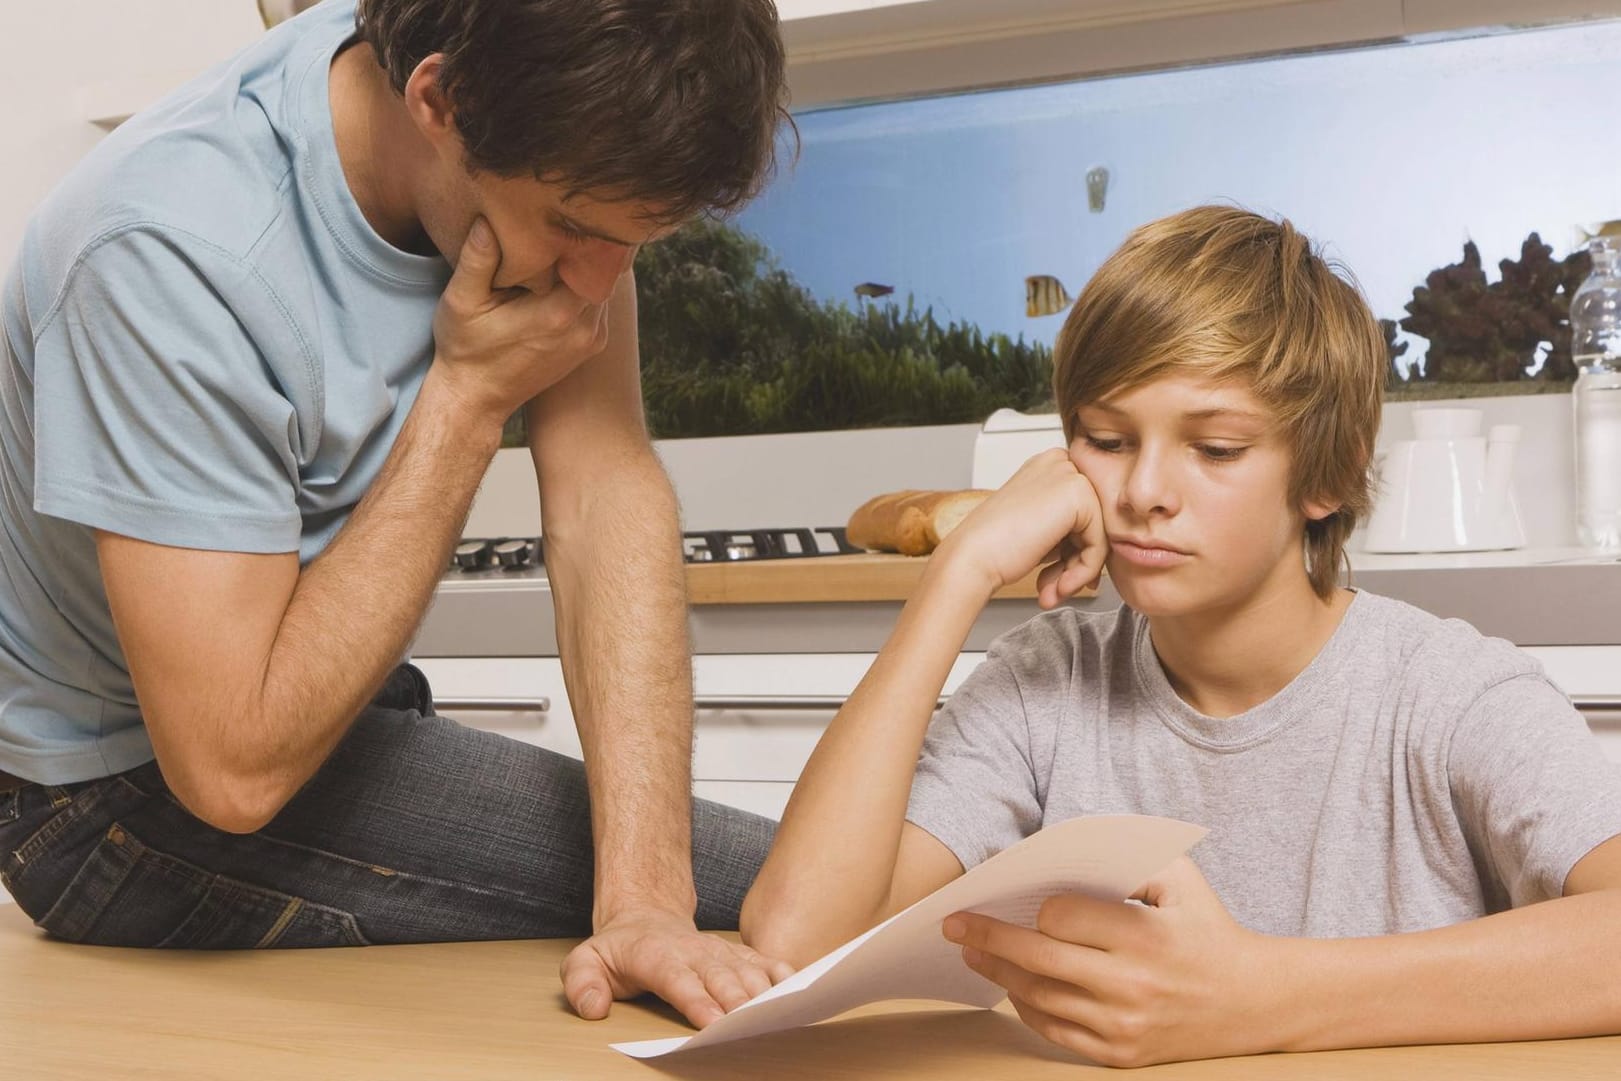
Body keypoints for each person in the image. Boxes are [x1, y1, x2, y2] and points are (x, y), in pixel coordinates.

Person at [0, 0, 796, 1028]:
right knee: (786, 892)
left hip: (337, 721)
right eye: (574, 228)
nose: (599, 281)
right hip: (111, 802)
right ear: (436, 101)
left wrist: (645, 899)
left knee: (777, 887)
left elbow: (604, 488)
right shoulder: (164, 253)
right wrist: (464, 401)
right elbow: (229, 769)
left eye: (631, 242)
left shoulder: (533, 97)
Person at [740, 205, 1621, 1065]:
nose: (1143, 490)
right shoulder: (1042, 682)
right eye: (1107, 438)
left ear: (1328, 474)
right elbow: (796, 939)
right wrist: (957, 573)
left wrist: (1261, 995)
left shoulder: (1447, 692)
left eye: (1215, 448)